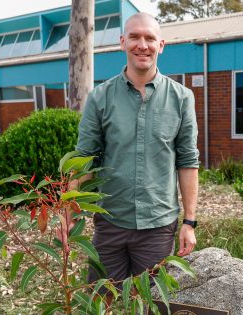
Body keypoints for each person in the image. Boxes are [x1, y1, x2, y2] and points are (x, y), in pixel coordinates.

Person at [73, 12, 199, 305]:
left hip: (158, 227)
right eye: (135, 37)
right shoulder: (100, 97)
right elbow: (84, 159)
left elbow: (188, 161)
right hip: (109, 224)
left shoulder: (181, 98)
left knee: (151, 305)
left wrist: (190, 222)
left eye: (150, 38)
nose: (142, 45)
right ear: (122, 42)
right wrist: (71, 212)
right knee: (100, 303)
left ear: (161, 45)